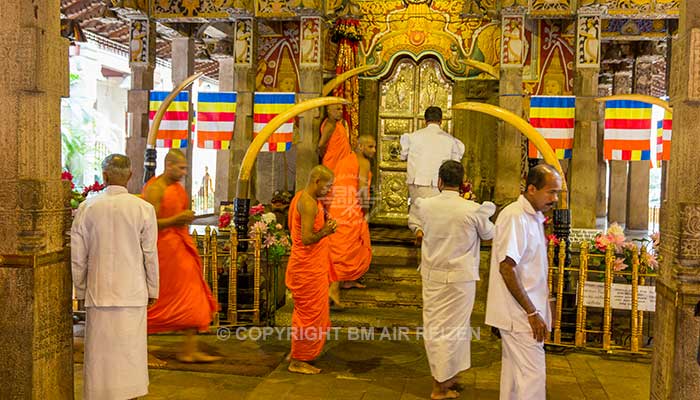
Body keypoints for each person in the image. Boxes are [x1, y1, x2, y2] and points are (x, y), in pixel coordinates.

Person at [71, 154, 159, 399]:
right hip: (132, 292)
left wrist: (80, 289)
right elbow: (150, 253)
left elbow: (78, 255)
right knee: (130, 355)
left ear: (104, 175)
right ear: (130, 176)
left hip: (99, 293)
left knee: (101, 357)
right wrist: (153, 289)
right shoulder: (143, 209)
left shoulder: (88, 207)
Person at [409, 160, 495, 400]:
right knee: (456, 328)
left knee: (436, 328)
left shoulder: (425, 206)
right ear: (462, 183)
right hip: (461, 279)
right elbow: (490, 234)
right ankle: (440, 385)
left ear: (439, 181)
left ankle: (448, 378)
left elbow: (414, 222)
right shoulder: (472, 209)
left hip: (433, 276)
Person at [484, 164, 563, 400]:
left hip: (525, 313)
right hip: (520, 316)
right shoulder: (514, 216)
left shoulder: (534, 216)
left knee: (515, 380)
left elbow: (531, 268)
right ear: (531, 189)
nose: (555, 199)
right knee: (532, 379)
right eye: (550, 192)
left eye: (557, 192)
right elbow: (507, 267)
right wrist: (531, 312)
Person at [143, 149, 221, 364]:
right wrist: (176, 219)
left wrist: (183, 218)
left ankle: (189, 350)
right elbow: (147, 224)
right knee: (161, 302)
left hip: (180, 246)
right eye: (181, 167)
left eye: (185, 168)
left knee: (194, 296)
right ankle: (141, 349)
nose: (184, 172)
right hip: (163, 250)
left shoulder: (177, 188)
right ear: (169, 165)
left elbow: (180, 214)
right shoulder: (155, 189)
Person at [286, 165, 337, 374]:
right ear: (317, 181)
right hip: (307, 266)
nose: (329, 190)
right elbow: (306, 238)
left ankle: (297, 350)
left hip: (309, 264)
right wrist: (326, 231)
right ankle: (298, 360)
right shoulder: (307, 203)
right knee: (310, 314)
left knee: (308, 312)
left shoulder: (302, 197)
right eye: (327, 186)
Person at [400, 106, 465, 240]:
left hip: (417, 181)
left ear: (425, 120)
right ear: (441, 121)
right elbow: (455, 163)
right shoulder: (451, 140)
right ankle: (436, 236)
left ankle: (418, 230)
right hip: (440, 183)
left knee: (417, 210)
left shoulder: (412, 137)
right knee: (438, 212)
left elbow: (403, 155)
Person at [327, 135, 376, 300]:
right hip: (350, 209)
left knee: (345, 244)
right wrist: (366, 211)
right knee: (345, 248)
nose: (374, 151)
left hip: (337, 207)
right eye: (370, 147)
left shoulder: (344, 160)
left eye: (374, 147)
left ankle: (348, 280)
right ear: (360, 147)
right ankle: (334, 288)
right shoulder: (363, 162)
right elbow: (362, 190)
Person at [319, 104, 351, 171]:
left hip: (340, 163)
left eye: (342, 109)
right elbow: (321, 145)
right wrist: (328, 156)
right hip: (333, 163)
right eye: (338, 109)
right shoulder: (330, 125)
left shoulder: (338, 123)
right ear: (329, 111)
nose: (341, 112)